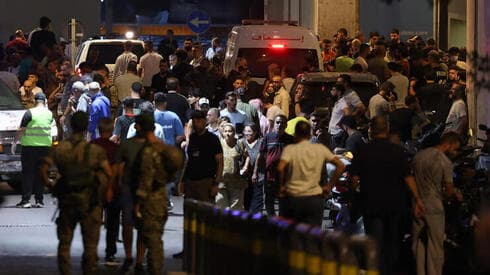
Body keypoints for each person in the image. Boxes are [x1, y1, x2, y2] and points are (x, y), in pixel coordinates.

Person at [350, 116, 425, 275]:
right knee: (392, 244)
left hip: (371, 205)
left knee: (375, 245)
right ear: (387, 129)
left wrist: (354, 195)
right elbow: (408, 177)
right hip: (394, 205)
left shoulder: (363, 150)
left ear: (371, 129)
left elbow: (354, 180)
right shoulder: (397, 151)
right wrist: (417, 199)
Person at [39, 111, 112, 274]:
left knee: (64, 243)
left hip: (67, 201)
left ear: (71, 126)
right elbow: (108, 173)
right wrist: (103, 191)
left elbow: (43, 169)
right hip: (90, 203)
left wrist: (51, 185)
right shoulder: (95, 150)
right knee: (90, 246)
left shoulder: (61, 149)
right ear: (86, 126)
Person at [133, 114, 184, 274]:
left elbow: (146, 179)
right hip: (161, 196)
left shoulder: (149, 151)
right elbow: (177, 163)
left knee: (153, 240)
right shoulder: (164, 149)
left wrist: (138, 202)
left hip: (149, 200)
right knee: (153, 236)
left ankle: (155, 269)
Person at [173, 110, 223, 259]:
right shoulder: (192, 138)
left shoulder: (212, 139)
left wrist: (216, 183)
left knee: (206, 218)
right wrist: (182, 180)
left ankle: (206, 249)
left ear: (204, 121)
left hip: (206, 182)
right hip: (190, 182)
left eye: (199, 120)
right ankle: (188, 248)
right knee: (189, 218)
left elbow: (220, 162)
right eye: (193, 121)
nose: (196, 123)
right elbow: (189, 161)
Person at [412, 132, 462, 275]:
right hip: (434, 206)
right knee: (435, 245)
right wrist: (454, 195)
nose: (455, 152)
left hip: (417, 204)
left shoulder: (419, 156)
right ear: (449, 144)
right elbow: (449, 189)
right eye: (454, 148)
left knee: (419, 244)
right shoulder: (444, 162)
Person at [277, 121, 345, 226]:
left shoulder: (290, 150)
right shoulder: (320, 150)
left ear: (295, 135)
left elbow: (281, 169)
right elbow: (340, 166)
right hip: (314, 199)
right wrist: (329, 186)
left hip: (294, 198)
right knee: (312, 235)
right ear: (309, 135)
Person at [13, 92, 56, 208]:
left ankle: (26, 201)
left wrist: (15, 142)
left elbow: (21, 129)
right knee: (41, 173)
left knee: (28, 174)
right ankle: (39, 200)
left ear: (34, 101)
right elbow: (52, 129)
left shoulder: (29, 113)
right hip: (45, 148)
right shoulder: (49, 114)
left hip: (29, 147)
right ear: (45, 101)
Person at [90, 118, 120, 266]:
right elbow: (115, 171)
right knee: (112, 223)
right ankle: (110, 254)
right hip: (112, 189)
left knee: (93, 223)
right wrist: (110, 188)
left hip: (93, 189)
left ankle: (92, 254)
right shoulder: (114, 148)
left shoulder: (91, 146)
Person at [256, 114, 293, 216]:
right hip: (270, 176)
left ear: (286, 125)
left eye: (282, 123)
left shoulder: (290, 139)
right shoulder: (268, 137)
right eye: (277, 122)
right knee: (269, 201)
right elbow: (261, 154)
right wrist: (256, 172)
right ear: (274, 124)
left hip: (285, 177)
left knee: (284, 202)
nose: (279, 125)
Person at [216, 123, 249, 210]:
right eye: (225, 131)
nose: (227, 133)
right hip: (222, 181)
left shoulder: (240, 144)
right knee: (221, 204)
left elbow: (247, 156)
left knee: (236, 207)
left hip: (237, 181)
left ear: (234, 133)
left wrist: (245, 167)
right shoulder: (219, 144)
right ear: (222, 133)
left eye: (230, 131)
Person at [242, 123, 265, 213]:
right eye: (245, 131)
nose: (247, 133)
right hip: (244, 177)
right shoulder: (241, 142)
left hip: (258, 176)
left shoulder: (261, 142)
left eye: (250, 131)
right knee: (246, 201)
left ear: (255, 132)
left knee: (257, 202)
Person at [328, 84, 350, 149]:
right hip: (333, 132)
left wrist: (340, 123)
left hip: (337, 133)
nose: (331, 92)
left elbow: (347, 113)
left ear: (339, 92)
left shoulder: (342, 103)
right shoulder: (336, 102)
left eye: (334, 90)